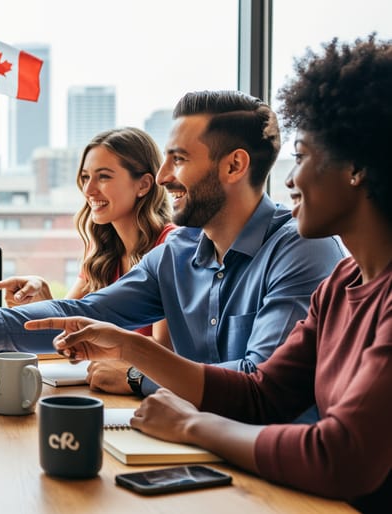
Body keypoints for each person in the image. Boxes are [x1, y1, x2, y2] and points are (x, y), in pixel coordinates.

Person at [25, 35, 392, 511]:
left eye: (301, 158)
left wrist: (190, 424)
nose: (289, 180)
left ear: (357, 168)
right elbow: (262, 395)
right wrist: (132, 346)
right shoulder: (340, 289)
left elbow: (342, 457)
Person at [0, 90, 346, 400]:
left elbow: (260, 381)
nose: (166, 175)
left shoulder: (301, 249)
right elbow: (84, 313)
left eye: (181, 159)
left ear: (234, 165)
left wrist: (140, 373)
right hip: (195, 443)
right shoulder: (176, 255)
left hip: (275, 468)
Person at [0, 127, 175, 393]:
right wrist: (42, 299)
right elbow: (69, 330)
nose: (89, 189)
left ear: (143, 184)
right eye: (85, 177)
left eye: (103, 177)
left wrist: (125, 371)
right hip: (106, 390)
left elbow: (164, 352)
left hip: (146, 396)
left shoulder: (170, 247)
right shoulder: (102, 251)